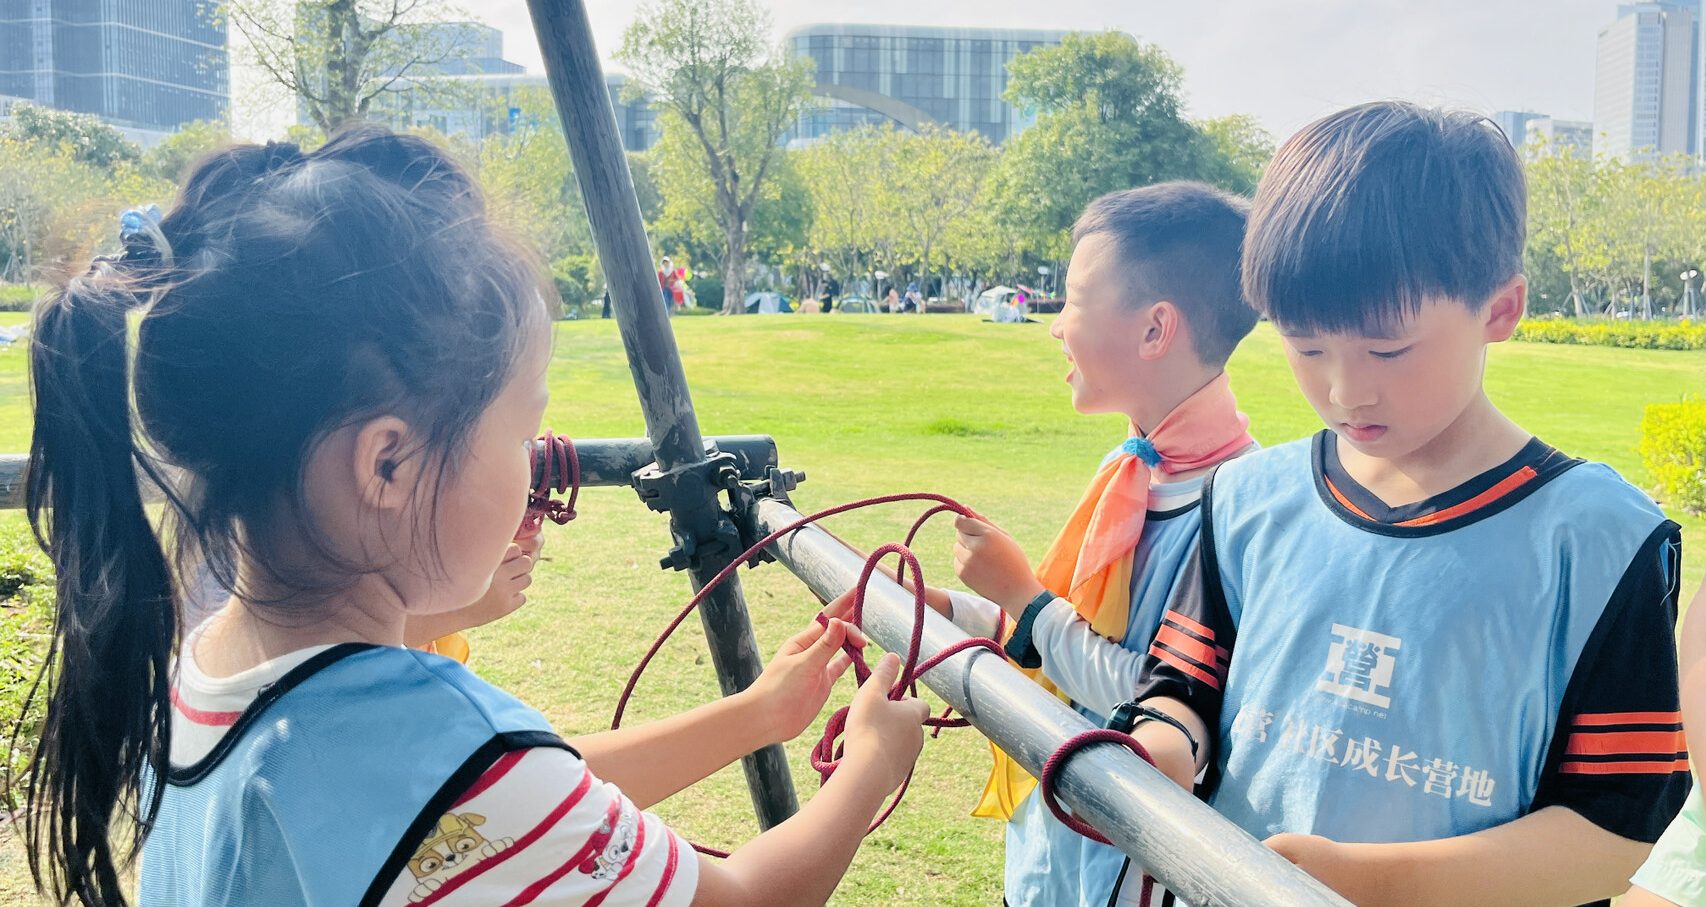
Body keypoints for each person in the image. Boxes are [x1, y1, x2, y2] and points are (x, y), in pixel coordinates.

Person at [20, 127, 930, 907]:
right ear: (386, 462)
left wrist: (757, 714)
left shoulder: (206, 677)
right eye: (522, 428)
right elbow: (741, 897)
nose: (535, 467)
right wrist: (869, 773)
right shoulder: (434, 742)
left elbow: (511, 790)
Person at [1123, 102, 1687, 906]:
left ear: (1499, 309)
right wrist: (1158, 751)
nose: (1347, 390)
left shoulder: (1599, 541)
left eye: (1388, 348)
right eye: (1307, 346)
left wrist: (1364, 883)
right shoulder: (1248, 500)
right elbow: (1183, 689)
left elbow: (1615, 829)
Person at [839, 182, 1260, 906]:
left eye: (1072, 300)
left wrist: (1025, 599)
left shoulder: (1243, 506)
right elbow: (1065, 646)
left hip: (1129, 872)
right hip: (1051, 849)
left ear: (1156, 329)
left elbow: (1168, 705)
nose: (1055, 326)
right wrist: (949, 609)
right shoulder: (1128, 468)